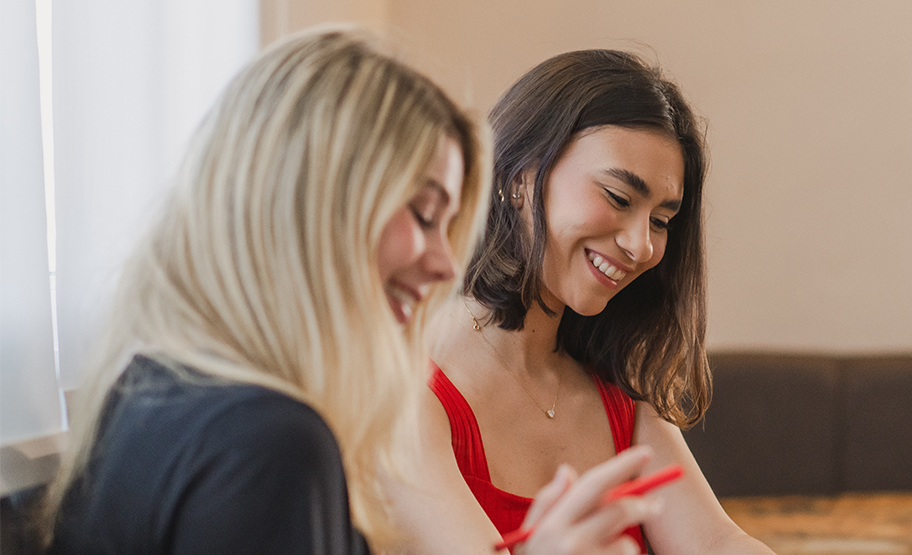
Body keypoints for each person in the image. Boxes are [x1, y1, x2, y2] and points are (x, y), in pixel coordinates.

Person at [41, 29, 658, 555]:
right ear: (311, 202)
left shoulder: (146, 387)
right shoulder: (271, 443)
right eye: (423, 215)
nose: (446, 265)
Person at [419, 49, 774, 554]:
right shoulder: (413, 391)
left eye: (660, 221)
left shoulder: (617, 392)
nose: (641, 245)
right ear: (519, 179)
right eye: (618, 198)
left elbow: (718, 543)